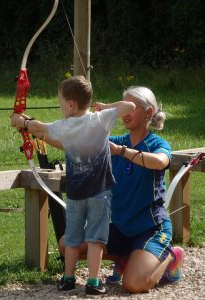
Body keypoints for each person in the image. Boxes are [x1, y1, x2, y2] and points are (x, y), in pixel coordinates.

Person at [11, 75, 136, 296]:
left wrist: (23, 122)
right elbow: (130, 106)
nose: (60, 107)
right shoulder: (101, 119)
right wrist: (106, 107)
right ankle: (93, 282)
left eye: (61, 102)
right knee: (96, 239)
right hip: (100, 192)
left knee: (72, 238)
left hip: (76, 194)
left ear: (70, 105)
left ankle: (68, 278)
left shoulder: (64, 126)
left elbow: (41, 128)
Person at [59, 85, 185, 293]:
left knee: (133, 284)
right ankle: (126, 256)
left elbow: (160, 162)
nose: (125, 114)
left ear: (148, 113)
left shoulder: (156, 143)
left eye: (131, 108)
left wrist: (123, 152)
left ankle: (171, 257)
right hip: (120, 229)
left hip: (152, 229)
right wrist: (32, 128)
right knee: (66, 244)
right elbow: (77, 140)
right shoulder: (116, 142)